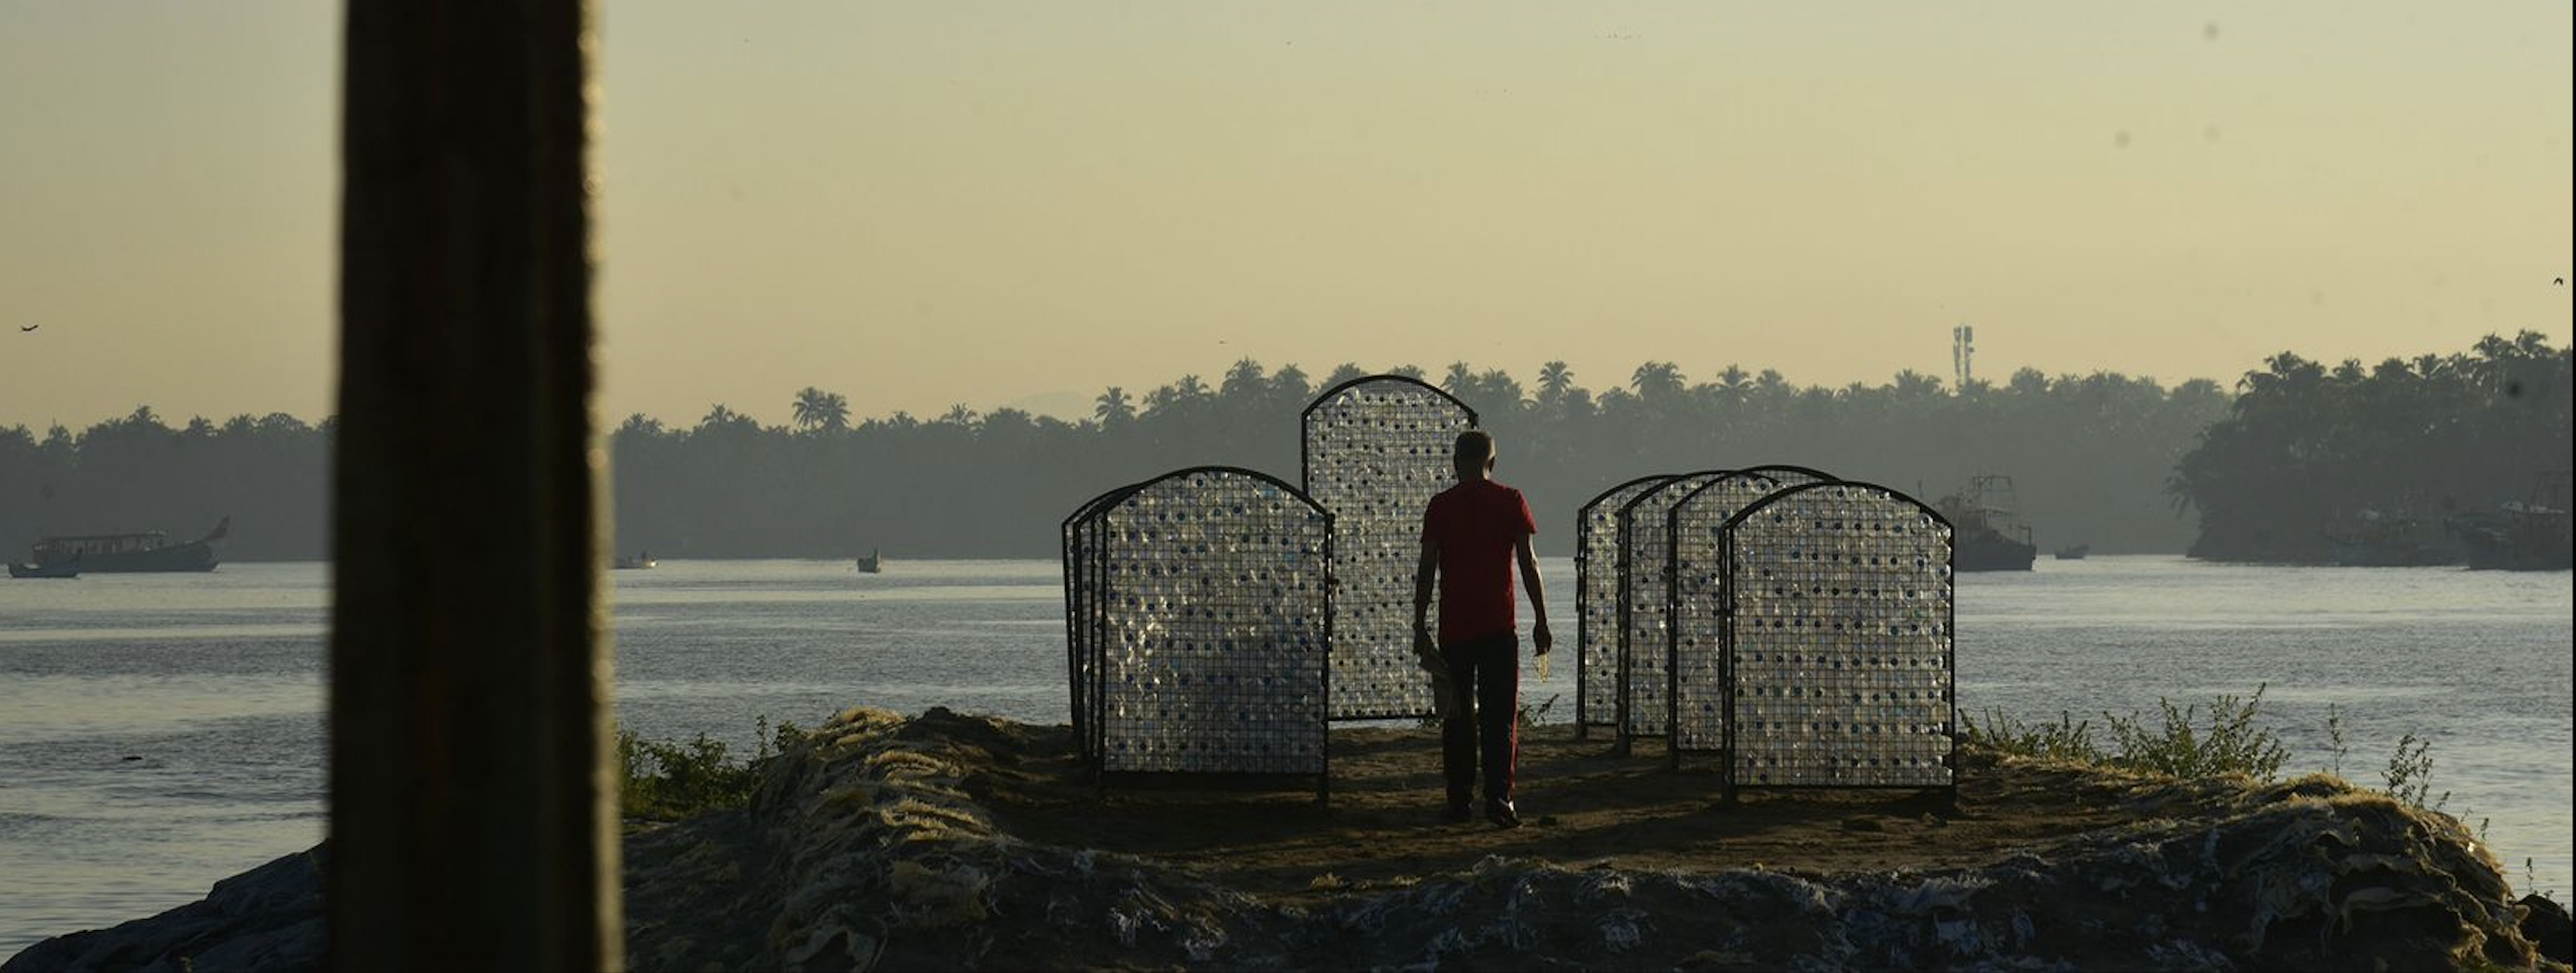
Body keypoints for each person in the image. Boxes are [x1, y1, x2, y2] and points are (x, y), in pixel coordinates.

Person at [1412, 429, 1551, 827]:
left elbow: (1427, 570)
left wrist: (1419, 622)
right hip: (1497, 627)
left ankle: (1458, 801)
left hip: (1455, 628)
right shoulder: (1510, 501)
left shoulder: (1440, 506)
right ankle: (1499, 798)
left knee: (1457, 716)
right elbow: (1529, 564)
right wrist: (1541, 619)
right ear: (1493, 462)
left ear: (1456, 462)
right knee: (1499, 716)